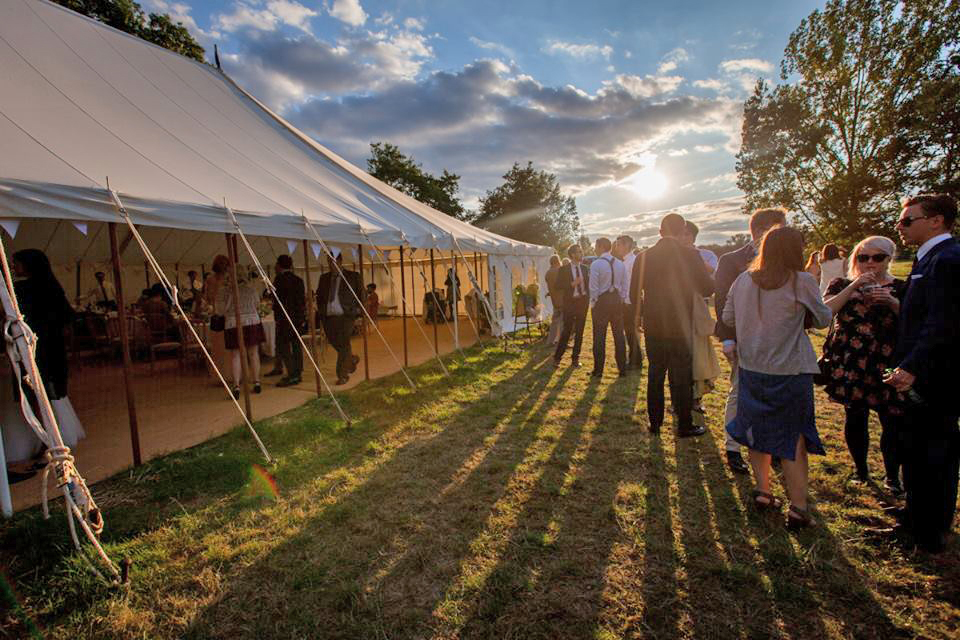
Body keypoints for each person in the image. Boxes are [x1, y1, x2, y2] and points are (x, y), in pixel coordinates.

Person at [723, 227, 832, 529]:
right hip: (789, 370)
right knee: (793, 437)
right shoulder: (802, 281)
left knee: (757, 430)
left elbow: (728, 318)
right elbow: (823, 320)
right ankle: (798, 507)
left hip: (752, 367)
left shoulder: (744, 280)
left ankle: (763, 490)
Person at [885, 193, 960, 553]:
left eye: (906, 220)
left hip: (935, 375)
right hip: (922, 369)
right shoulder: (928, 257)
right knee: (914, 447)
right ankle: (916, 516)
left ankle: (929, 531)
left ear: (936, 221)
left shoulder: (947, 259)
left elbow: (943, 322)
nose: (900, 226)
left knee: (934, 451)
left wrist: (912, 367)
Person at [820, 236, 905, 491]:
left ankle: (892, 475)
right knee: (855, 416)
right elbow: (825, 312)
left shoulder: (901, 287)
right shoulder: (841, 284)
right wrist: (854, 285)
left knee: (891, 419)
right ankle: (861, 470)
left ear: (889, 259)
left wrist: (891, 303)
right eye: (863, 257)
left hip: (887, 361)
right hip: (850, 360)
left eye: (877, 257)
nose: (870, 262)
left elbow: (913, 321)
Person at [714, 207, 787, 474]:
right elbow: (722, 301)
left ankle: (772, 446)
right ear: (757, 232)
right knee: (739, 392)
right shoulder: (732, 261)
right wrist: (727, 338)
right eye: (777, 230)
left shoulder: (787, 260)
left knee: (775, 395)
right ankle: (733, 447)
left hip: (779, 342)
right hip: (743, 339)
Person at [640, 214, 714, 437]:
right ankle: (684, 423)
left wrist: (639, 317)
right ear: (682, 231)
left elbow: (635, 292)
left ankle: (655, 422)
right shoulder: (691, 255)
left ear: (660, 231)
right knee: (680, 373)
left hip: (653, 322)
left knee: (655, 372)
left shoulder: (645, 257)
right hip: (681, 322)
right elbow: (708, 288)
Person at [10, 249, 85, 450]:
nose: (13, 268)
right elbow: (69, 317)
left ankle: (50, 440)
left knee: (38, 393)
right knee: (49, 391)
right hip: (53, 346)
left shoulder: (23, 290)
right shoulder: (52, 287)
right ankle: (54, 436)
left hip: (36, 349)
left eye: (16, 264)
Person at [682, 221, 722, 429]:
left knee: (699, 354)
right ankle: (681, 398)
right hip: (678, 310)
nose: (684, 238)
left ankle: (697, 398)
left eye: (688, 235)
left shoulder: (704, 255)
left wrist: (692, 256)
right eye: (682, 234)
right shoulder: (676, 255)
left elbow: (710, 279)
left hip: (697, 311)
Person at [215, 264, 265, 399]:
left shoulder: (224, 291)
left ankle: (236, 385)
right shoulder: (251, 289)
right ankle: (256, 382)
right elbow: (257, 305)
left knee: (235, 355)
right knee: (253, 353)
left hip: (232, 323)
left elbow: (219, 311)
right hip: (251, 321)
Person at [316, 250, 362, 385]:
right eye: (329, 261)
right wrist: (321, 311)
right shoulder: (323, 278)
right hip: (329, 317)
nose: (331, 264)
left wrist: (358, 311)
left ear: (340, 261)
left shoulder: (353, 276)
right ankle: (352, 359)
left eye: (333, 261)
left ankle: (342, 374)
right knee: (336, 344)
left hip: (346, 316)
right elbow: (320, 297)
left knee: (344, 343)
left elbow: (362, 295)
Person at [589, 237, 628, 378]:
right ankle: (622, 368)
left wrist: (593, 303)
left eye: (595, 246)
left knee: (599, 336)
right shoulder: (620, 264)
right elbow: (625, 284)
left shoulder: (596, 264)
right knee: (619, 335)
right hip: (616, 300)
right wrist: (621, 299)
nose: (594, 248)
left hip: (602, 301)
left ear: (600, 246)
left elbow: (593, 287)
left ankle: (598, 370)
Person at [267, 255, 306, 387]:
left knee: (284, 347)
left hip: (284, 319)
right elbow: (302, 302)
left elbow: (276, 301)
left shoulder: (279, 280)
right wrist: (301, 318)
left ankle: (292, 374)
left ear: (279, 265)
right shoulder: (298, 280)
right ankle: (298, 371)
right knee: (296, 346)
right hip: (297, 319)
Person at [553, 244, 590, 367]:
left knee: (579, 332)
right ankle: (557, 358)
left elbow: (589, 286)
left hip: (582, 303)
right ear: (573, 254)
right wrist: (572, 284)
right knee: (566, 331)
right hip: (570, 303)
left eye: (581, 251)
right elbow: (557, 286)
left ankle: (575, 358)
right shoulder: (564, 269)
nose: (582, 253)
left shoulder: (585, 269)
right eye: (579, 252)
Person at [618, 235, 643, 371]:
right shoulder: (625, 261)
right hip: (626, 301)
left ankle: (635, 360)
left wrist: (628, 301)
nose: (617, 248)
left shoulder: (632, 261)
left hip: (630, 302)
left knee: (630, 331)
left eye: (619, 245)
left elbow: (632, 284)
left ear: (626, 245)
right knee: (629, 332)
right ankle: (635, 358)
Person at [544, 255, 564, 345]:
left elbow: (551, 287)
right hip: (563, 300)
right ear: (557, 261)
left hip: (554, 300)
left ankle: (550, 341)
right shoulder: (559, 271)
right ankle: (561, 341)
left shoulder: (547, 273)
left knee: (554, 322)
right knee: (563, 322)